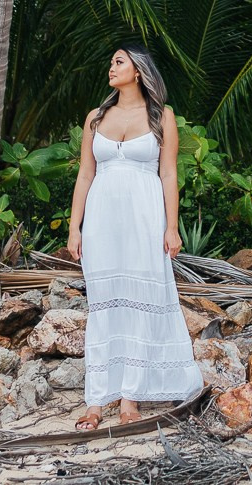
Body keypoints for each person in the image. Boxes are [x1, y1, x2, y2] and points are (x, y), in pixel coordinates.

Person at [65, 46, 204, 429]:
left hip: (145, 220)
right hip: (102, 223)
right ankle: (96, 401)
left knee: (141, 301)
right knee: (105, 305)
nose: (111, 66)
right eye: (110, 61)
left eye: (119, 61)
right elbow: (85, 175)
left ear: (139, 71)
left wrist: (171, 227)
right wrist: (75, 226)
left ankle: (130, 399)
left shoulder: (163, 117)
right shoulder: (96, 118)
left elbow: (169, 175)